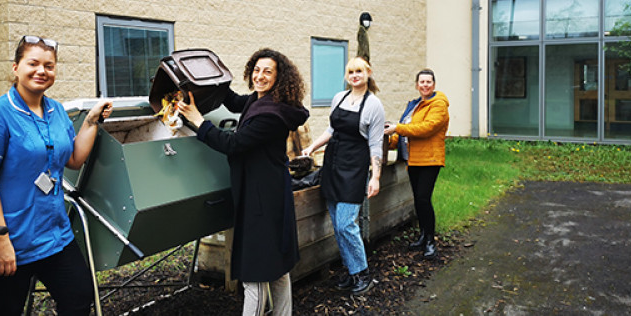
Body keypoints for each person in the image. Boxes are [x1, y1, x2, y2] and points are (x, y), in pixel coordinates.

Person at [0, 35, 113, 316]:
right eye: (33, 63)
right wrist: (0, 240)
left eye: (49, 65)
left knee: (79, 298)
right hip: (11, 241)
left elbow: (73, 159)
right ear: (16, 67)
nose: (41, 71)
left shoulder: (56, 111)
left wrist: (92, 121)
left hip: (54, 236)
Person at [178, 48, 309, 316]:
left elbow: (233, 144)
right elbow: (237, 102)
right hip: (268, 190)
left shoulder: (271, 115)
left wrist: (197, 120)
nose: (260, 76)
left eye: (267, 72)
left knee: (255, 273)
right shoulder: (263, 101)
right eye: (256, 70)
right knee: (277, 264)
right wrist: (211, 79)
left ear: (279, 77)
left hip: (261, 197)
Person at [302, 56, 385, 294]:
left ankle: (363, 274)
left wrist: (376, 177)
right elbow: (331, 130)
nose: (355, 75)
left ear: (368, 72)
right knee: (337, 225)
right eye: (351, 72)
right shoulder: (339, 98)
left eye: (359, 71)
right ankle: (351, 271)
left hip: (354, 169)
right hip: (332, 165)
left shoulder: (373, 106)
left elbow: (376, 145)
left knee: (347, 224)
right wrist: (312, 148)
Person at [384, 68, 449, 259]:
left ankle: (430, 242)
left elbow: (426, 128)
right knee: (418, 200)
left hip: (430, 158)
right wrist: (388, 139)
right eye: (422, 82)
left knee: (423, 199)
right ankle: (422, 236)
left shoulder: (438, 104)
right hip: (413, 159)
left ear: (434, 84)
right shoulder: (415, 105)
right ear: (417, 85)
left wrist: (398, 128)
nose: (425, 85)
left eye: (429, 82)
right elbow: (404, 131)